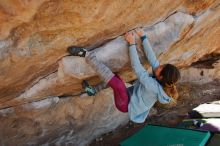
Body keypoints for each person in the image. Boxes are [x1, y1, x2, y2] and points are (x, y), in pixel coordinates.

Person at [67, 28, 180, 123]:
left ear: (161, 78)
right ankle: (93, 90)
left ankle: (86, 55)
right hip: (129, 97)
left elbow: (137, 67)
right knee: (115, 78)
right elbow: (152, 58)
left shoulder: (154, 87)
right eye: (163, 65)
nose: (159, 66)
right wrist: (143, 37)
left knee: (118, 84)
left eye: (161, 68)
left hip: (126, 105)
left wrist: (131, 43)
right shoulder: (160, 77)